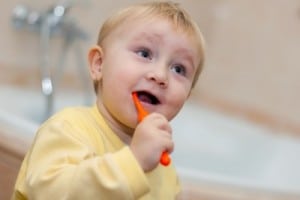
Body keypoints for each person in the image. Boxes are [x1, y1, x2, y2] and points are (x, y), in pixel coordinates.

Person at [12, 1, 205, 199]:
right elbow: (49, 193)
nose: (160, 75)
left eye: (178, 69)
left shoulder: (165, 171)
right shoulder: (68, 129)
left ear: (187, 96)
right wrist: (134, 162)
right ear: (99, 64)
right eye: (144, 54)